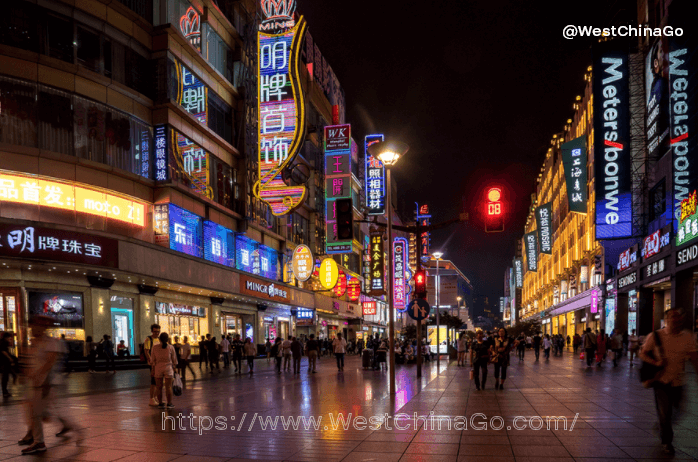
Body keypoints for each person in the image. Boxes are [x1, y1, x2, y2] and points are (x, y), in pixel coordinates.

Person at [639, 308, 698, 455]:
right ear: (667, 320)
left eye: (679, 318)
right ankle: (667, 441)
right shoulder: (656, 336)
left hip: (679, 380)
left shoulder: (687, 336)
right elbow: (643, 353)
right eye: (673, 317)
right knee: (665, 413)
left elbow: (694, 357)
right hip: (661, 380)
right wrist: (655, 362)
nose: (676, 320)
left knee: (679, 410)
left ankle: (662, 426)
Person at [19, 316, 77, 455]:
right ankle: (38, 440)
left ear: (43, 327)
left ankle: (39, 442)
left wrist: (44, 383)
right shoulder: (34, 342)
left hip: (44, 384)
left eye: (35, 326)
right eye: (31, 326)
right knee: (34, 412)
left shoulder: (51, 343)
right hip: (34, 384)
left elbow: (49, 365)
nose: (32, 329)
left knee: (38, 413)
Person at [150, 332, 177, 409]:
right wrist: (175, 368)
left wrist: (153, 370)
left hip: (158, 368)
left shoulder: (155, 347)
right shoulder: (171, 347)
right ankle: (169, 403)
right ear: (167, 339)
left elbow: (152, 360)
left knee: (159, 387)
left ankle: (160, 403)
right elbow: (174, 360)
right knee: (168, 387)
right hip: (168, 369)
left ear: (159, 339)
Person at [144, 325, 163, 406]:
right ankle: (151, 398)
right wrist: (151, 361)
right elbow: (146, 351)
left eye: (158, 331)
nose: (157, 333)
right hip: (153, 363)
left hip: (159, 363)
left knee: (158, 381)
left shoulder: (159, 339)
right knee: (153, 382)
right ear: (152, 331)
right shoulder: (149, 339)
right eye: (155, 331)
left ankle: (155, 398)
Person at [1, 332, 16, 397]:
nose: (10, 338)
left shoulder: (5, 342)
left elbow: (6, 351)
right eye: (9, 337)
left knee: (6, 376)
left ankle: (5, 391)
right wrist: (9, 358)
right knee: (5, 377)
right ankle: (5, 392)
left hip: (5, 361)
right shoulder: (2, 342)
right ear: (6, 337)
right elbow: (3, 351)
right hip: (3, 361)